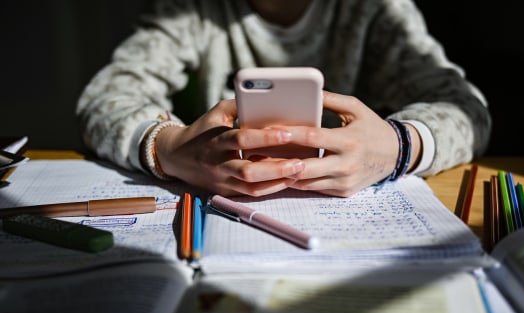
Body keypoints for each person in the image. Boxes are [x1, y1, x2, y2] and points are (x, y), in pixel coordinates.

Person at [76, 0, 491, 197]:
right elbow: (108, 96)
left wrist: (398, 146)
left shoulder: (376, 9)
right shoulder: (190, 10)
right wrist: (167, 148)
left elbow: (466, 110)